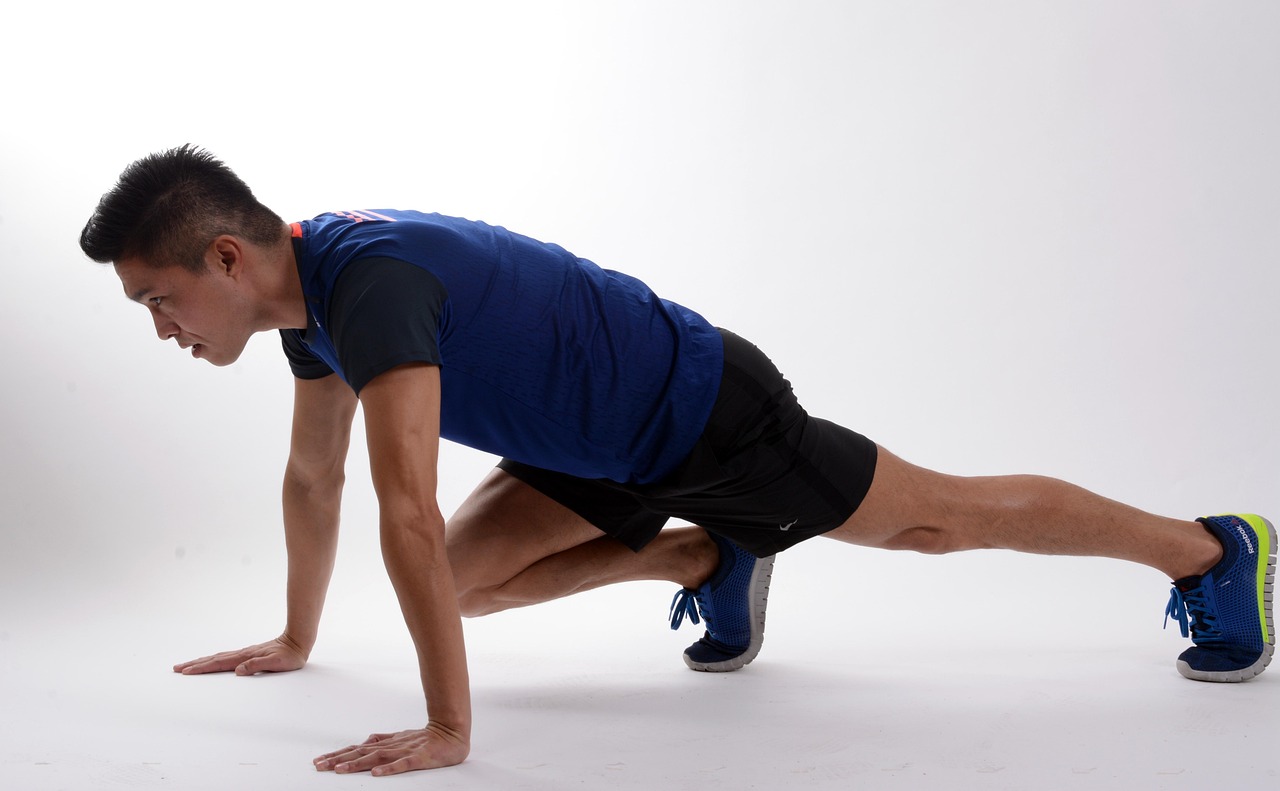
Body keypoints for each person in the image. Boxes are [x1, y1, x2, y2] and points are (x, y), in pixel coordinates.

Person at [79, 145, 1275, 777]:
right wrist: (295, 638)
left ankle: (1211, 548)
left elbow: (402, 506)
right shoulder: (310, 305)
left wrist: (449, 728)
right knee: (460, 583)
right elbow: (313, 480)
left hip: (702, 411)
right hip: (580, 447)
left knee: (938, 522)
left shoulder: (371, 285)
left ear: (226, 258)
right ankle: (704, 560)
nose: (162, 328)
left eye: (159, 298)